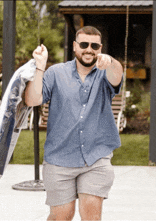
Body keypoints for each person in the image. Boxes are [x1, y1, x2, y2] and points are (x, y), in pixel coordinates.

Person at [25, 26, 123, 221]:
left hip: (96, 158)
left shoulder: (105, 72)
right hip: (59, 159)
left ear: (100, 48)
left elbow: (117, 74)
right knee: (61, 216)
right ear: (74, 46)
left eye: (94, 45)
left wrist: (110, 62)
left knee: (91, 215)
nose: (89, 49)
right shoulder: (55, 72)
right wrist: (40, 66)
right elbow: (32, 100)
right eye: (84, 44)